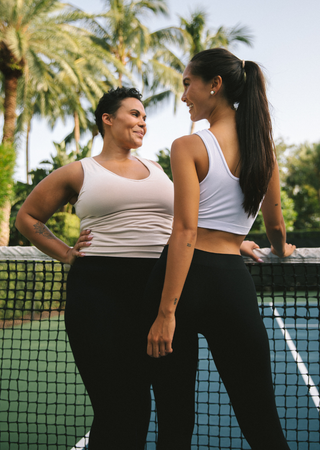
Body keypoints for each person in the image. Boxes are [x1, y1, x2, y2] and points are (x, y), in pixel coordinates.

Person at [15, 85, 264, 449]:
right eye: (135, 114)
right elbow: (28, 216)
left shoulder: (159, 169)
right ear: (107, 119)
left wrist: (230, 240)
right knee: (122, 409)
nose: (143, 122)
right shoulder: (78, 171)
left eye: (145, 117)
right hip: (99, 293)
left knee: (175, 408)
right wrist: (66, 253)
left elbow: (184, 220)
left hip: (161, 288)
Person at [145, 48, 296, 450]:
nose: (183, 96)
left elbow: (186, 231)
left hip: (181, 280)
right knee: (261, 418)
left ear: (215, 84)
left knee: (174, 421)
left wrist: (166, 313)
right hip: (231, 283)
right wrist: (282, 247)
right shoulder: (266, 151)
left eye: (187, 84)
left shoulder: (187, 146)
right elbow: (275, 225)